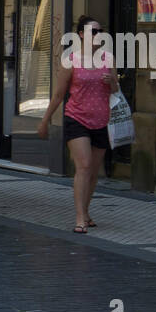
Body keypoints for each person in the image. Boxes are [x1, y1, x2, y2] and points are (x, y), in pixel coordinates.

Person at [37, 15, 120, 233]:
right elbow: (58, 94)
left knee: (93, 171)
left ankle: (86, 209)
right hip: (77, 119)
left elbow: (116, 90)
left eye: (100, 31)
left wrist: (113, 81)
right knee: (83, 166)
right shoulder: (71, 60)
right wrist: (45, 121)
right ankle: (80, 216)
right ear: (81, 34)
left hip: (101, 120)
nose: (98, 35)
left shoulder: (108, 59)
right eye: (94, 31)